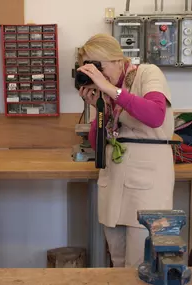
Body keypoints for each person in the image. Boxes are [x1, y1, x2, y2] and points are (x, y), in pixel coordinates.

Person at [77, 34, 175, 267]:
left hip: (146, 187)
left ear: (117, 59)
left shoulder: (147, 74)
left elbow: (155, 115)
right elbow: (95, 142)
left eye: (98, 66)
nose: (96, 74)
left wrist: (111, 90)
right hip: (113, 185)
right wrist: (97, 107)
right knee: (118, 261)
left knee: (142, 262)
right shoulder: (106, 92)